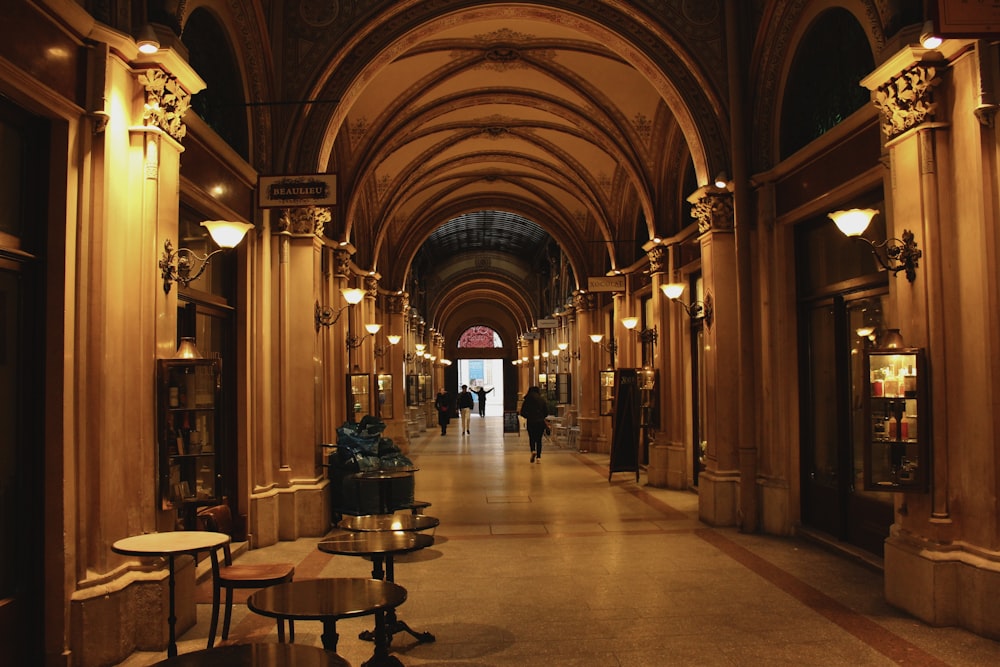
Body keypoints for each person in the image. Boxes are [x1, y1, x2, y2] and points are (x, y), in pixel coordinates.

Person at [519, 386, 548, 463]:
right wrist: (541, 416)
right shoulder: (541, 399)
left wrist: (528, 416)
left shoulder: (527, 400)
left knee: (532, 437)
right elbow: (546, 412)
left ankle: (533, 450)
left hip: (531, 421)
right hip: (540, 422)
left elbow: (522, 412)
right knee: (539, 440)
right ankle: (538, 457)